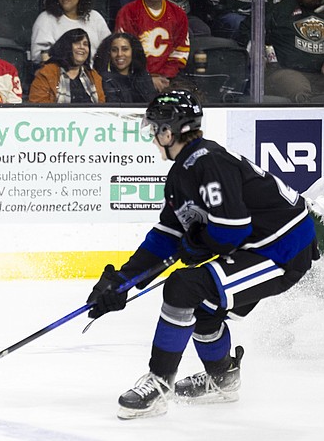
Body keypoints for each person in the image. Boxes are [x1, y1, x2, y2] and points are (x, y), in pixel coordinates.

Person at [86, 89, 319, 419]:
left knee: (185, 286)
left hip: (282, 248)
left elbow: (232, 229)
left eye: (155, 130)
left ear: (168, 132)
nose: (153, 137)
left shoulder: (208, 162)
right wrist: (122, 280)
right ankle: (222, 379)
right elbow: (167, 235)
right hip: (262, 245)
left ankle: (159, 383)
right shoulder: (183, 172)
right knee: (203, 306)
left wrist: (197, 244)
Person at [238, 0, 324, 103]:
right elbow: (246, 31)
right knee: (299, 90)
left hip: (319, 75)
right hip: (282, 72)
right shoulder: (280, 8)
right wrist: (257, 52)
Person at [115, 0, 190, 93]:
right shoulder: (128, 12)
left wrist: (165, 76)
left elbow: (179, 51)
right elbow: (124, 53)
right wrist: (147, 79)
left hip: (168, 80)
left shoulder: (179, 14)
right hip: (134, 79)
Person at [28, 28, 105, 103]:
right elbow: (38, 108)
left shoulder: (93, 76)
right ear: (66, 46)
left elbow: (102, 106)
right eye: (77, 43)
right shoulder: (47, 73)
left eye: (85, 44)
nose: (82, 47)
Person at [31, 0, 111, 65]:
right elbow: (38, 57)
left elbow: (109, 48)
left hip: (94, 75)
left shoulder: (95, 17)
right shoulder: (45, 19)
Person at [94, 32, 157, 103]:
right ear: (108, 53)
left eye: (125, 49)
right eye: (114, 50)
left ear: (133, 51)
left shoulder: (143, 76)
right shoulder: (103, 78)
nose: (119, 54)